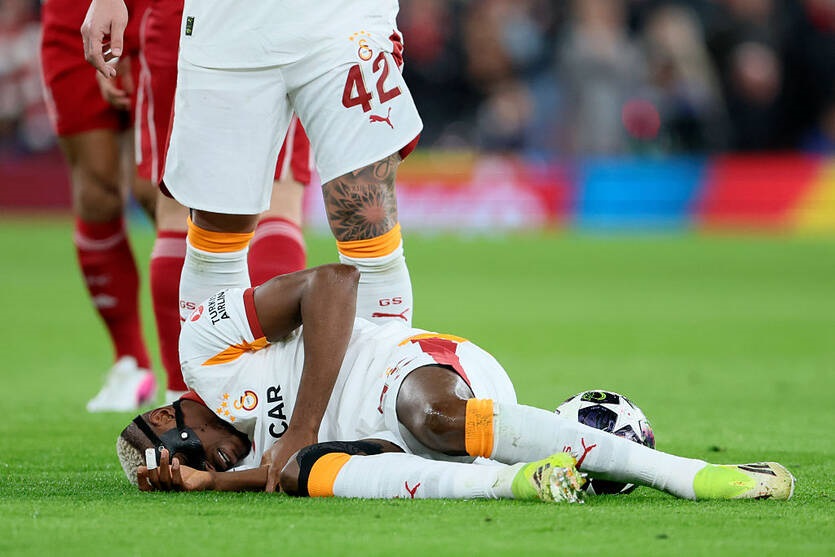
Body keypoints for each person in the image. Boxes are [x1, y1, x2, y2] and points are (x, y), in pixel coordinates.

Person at [115, 264, 795, 502]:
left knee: (432, 420)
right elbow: (278, 467)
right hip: (381, 449)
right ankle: (519, 482)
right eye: (206, 468)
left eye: (198, 455)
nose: (215, 462)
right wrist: (211, 485)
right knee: (297, 475)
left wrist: (303, 423)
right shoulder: (240, 460)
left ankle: (688, 475)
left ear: (172, 417)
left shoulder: (205, 349)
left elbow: (335, 282)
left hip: (411, 373)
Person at [81, 0, 421, 332]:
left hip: (343, 20)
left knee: (364, 207)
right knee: (217, 222)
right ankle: (215, 371)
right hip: (224, 25)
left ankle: (380, 366)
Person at [130, 0, 313, 402]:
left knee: (178, 207)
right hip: (281, 19)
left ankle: (184, 397)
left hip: (183, 17)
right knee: (278, 197)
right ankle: (271, 391)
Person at [41, 0, 158, 411]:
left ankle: (197, 365)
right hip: (71, 16)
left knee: (159, 189)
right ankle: (131, 362)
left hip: (156, 10)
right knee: (96, 193)